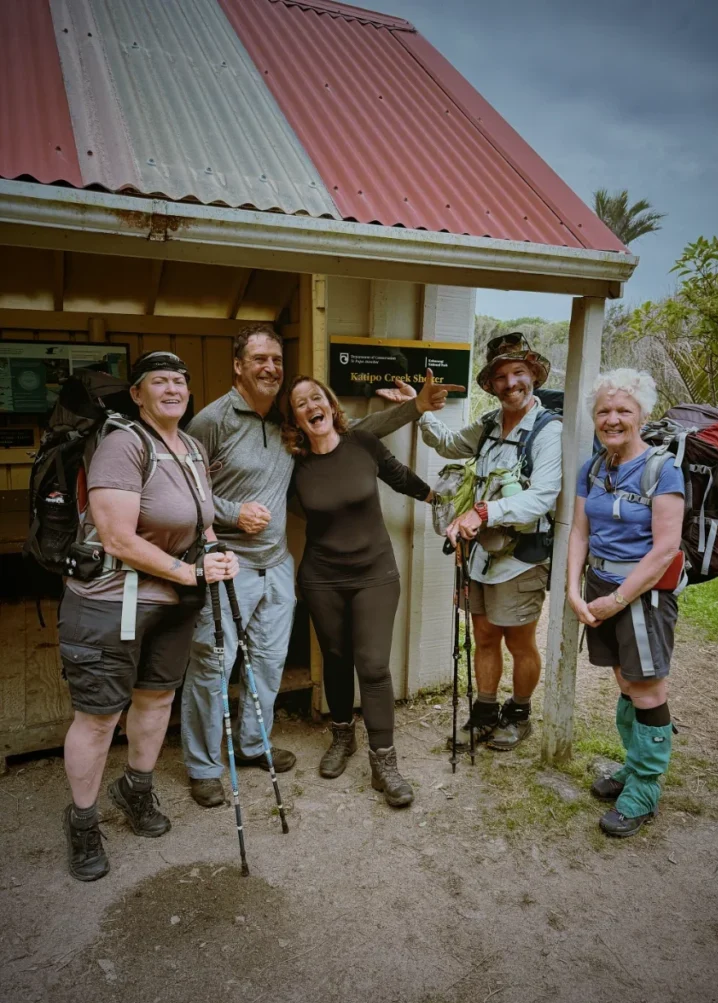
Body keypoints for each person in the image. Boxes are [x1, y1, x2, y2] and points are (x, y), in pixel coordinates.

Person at [181, 324, 463, 808]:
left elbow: (380, 451)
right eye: (259, 359)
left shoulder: (330, 439)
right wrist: (229, 515)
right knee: (235, 663)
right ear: (238, 366)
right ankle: (229, 761)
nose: (271, 368)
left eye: (277, 360)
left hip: (327, 569)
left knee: (328, 665)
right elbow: (190, 489)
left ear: (330, 405)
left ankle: (356, 758)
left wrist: (418, 416)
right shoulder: (239, 433)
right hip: (271, 570)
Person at [60, 351, 238, 882]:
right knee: (98, 717)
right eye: (159, 381)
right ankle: (82, 822)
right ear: (137, 394)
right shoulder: (122, 445)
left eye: (180, 381)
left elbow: (201, 520)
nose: (172, 389)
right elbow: (117, 538)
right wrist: (190, 574)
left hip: (172, 603)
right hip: (109, 603)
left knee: (157, 698)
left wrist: (214, 552)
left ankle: (135, 788)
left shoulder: (191, 448)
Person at [283, 376, 434, 806]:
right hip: (322, 579)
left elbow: (400, 477)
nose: (310, 405)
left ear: (330, 405)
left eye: (316, 397)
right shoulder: (293, 466)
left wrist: (443, 502)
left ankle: (384, 762)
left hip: (375, 574)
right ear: (295, 419)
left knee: (373, 666)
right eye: (300, 403)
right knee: (335, 658)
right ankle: (342, 736)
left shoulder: (363, 443)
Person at [418, 333, 563, 750]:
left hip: (522, 558)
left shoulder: (548, 431)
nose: (510, 383)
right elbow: (449, 444)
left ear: (534, 375)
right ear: (491, 384)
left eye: (518, 372)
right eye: (500, 376)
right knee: (483, 635)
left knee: (519, 641)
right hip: (480, 555)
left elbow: (543, 496)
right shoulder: (488, 425)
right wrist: (420, 409)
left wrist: (482, 513)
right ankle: (484, 712)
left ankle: (518, 714)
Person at [567, 369, 684, 838]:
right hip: (599, 586)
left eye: (623, 410)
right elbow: (580, 532)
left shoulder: (662, 469)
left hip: (642, 596)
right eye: (603, 411)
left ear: (643, 415)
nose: (612, 419)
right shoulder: (593, 468)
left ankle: (645, 788)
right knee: (624, 680)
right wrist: (574, 589)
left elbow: (665, 549)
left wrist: (617, 599)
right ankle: (634, 766)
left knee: (648, 688)